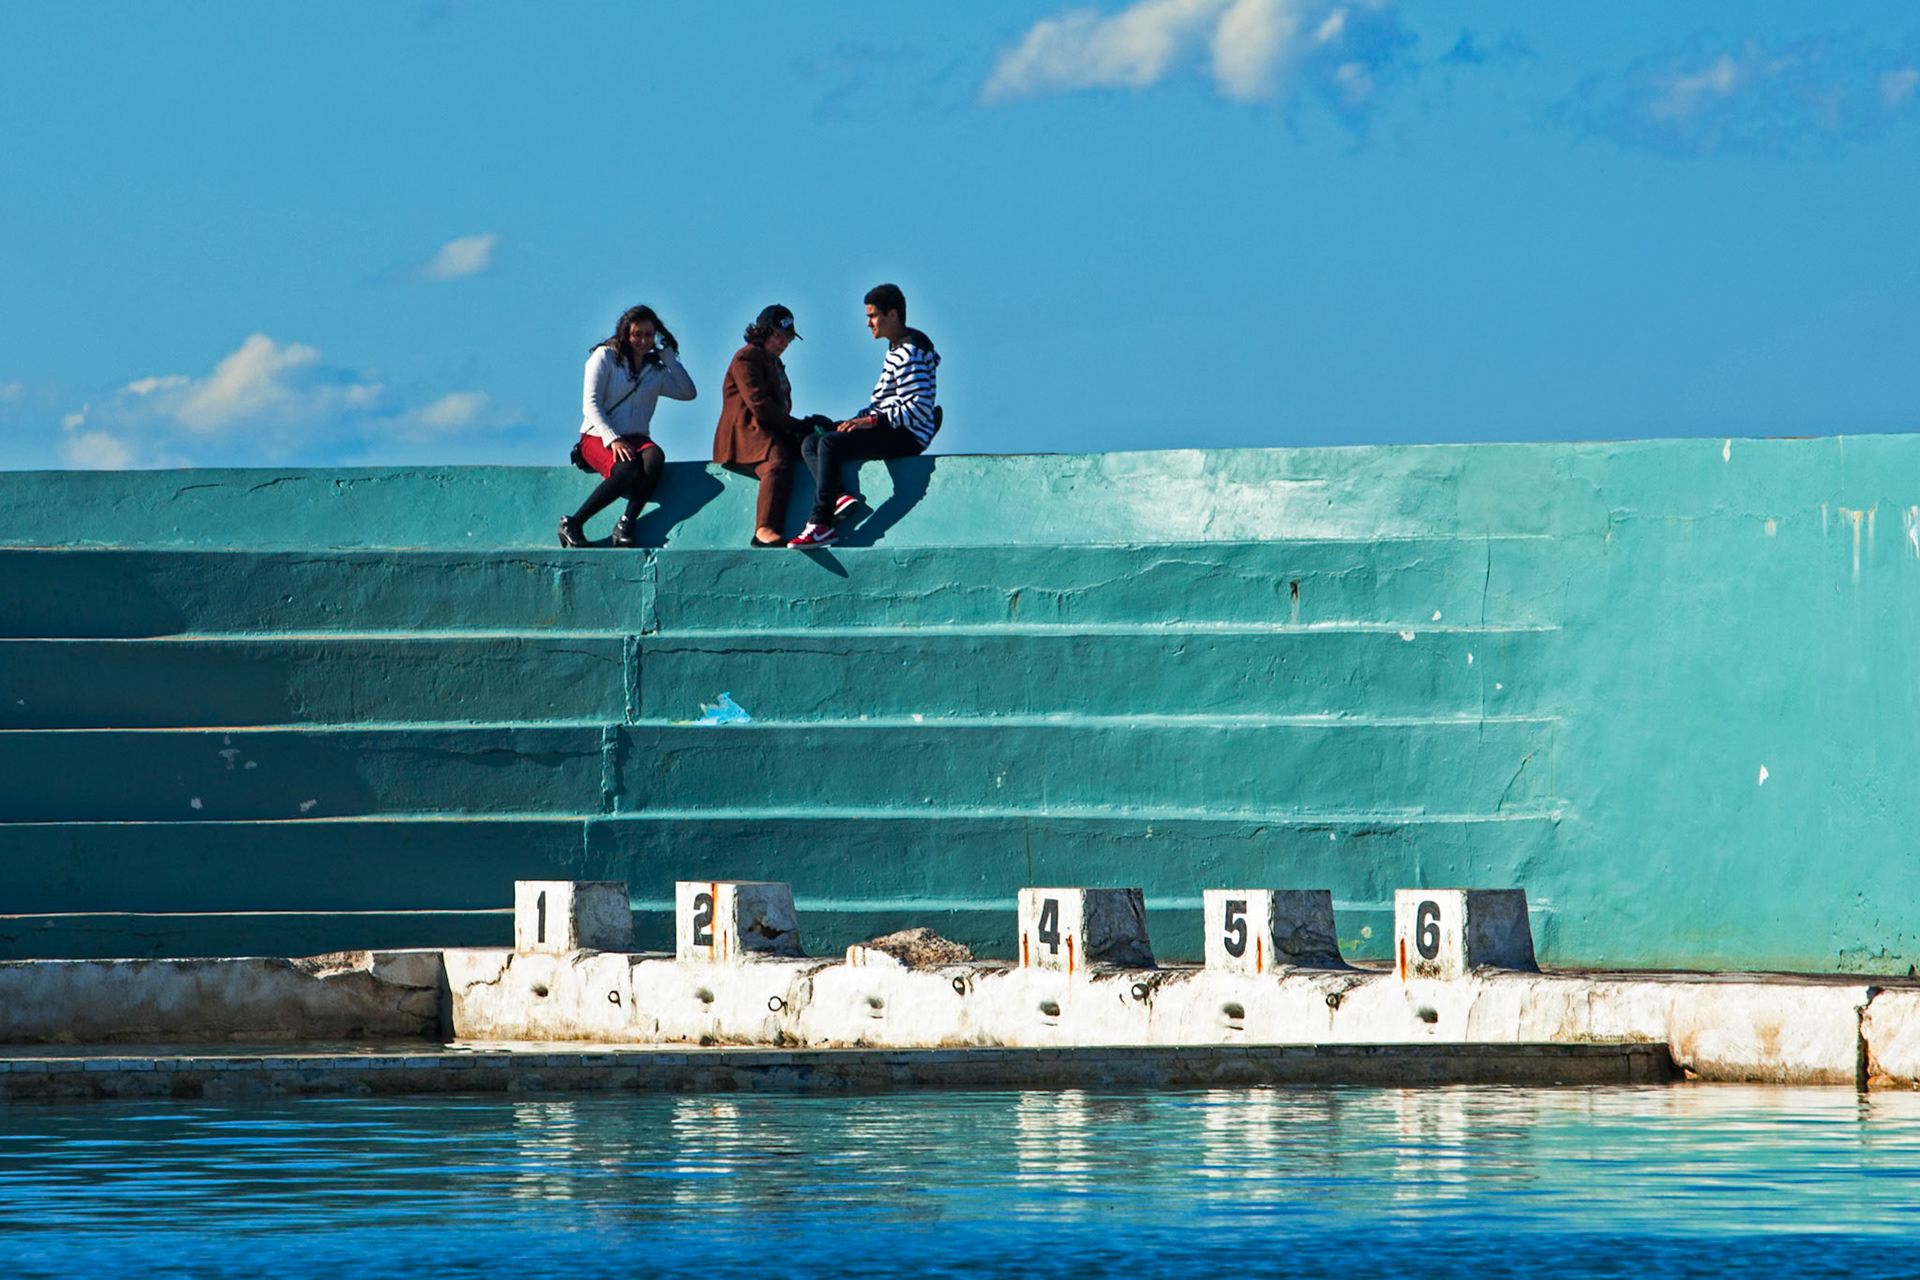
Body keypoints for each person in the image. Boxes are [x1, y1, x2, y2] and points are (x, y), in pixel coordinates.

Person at [788, 283, 940, 549]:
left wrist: (871, 422)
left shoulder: (911, 351)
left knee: (829, 443)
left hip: (907, 434)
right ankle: (839, 497)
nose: (868, 323)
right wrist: (851, 421)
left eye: (872, 316)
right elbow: (886, 401)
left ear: (892, 315)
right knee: (812, 440)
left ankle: (820, 525)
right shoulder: (897, 347)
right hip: (887, 425)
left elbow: (919, 408)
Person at [560, 304, 696, 549]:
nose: (643, 340)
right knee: (627, 471)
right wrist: (612, 438)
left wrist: (669, 359)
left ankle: (627, 522)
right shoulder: (605, 357)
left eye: (648, 335)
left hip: (637, 437)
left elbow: (687, 392)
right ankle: (574, 522)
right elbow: (590, 405)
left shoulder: (653, 370)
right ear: (625, 333)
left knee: (655, 457)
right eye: (637, 334)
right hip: (597, 435)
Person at [713, 305, 816, 547]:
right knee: (776, 460)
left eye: (787, 339)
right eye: (778, 336)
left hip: (767, 432)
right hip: (744, 435)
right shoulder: (746, 356)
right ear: (762, 332)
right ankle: (763, 529)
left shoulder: (775, 364)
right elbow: (759, 404)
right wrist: (794, 426)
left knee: (811, 446)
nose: (783, 343)